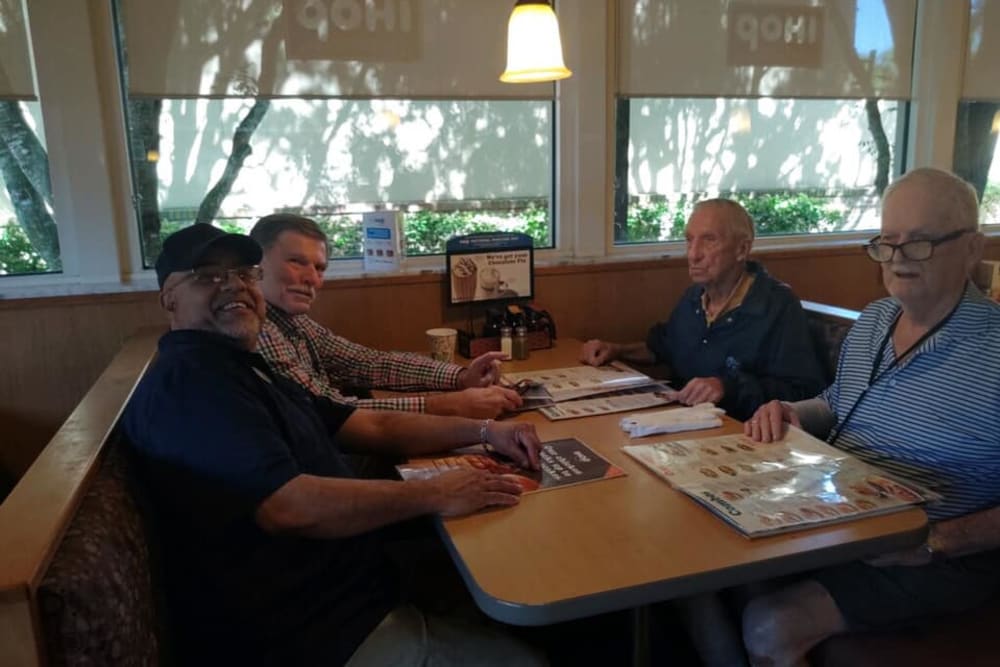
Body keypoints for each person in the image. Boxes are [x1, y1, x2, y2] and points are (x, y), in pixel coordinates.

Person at [124, 224, 546, 666]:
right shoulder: (193, 384)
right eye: (209, 275)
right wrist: (437, 493)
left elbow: (371, 425)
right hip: (314, 635)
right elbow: (289, 506)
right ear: (169, 296)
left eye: (245, 274)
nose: (235, 285)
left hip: (360, 583)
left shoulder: (245, 366)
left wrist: (484, 432)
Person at [741, 168, 1000, 665]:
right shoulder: (875, 320)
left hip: (936, 557)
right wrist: (792, 411)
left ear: (971, 249)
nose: (898, 259)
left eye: (920, 242)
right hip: (842, 523)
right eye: (887, 242)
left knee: (768, 624)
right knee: (712, 572)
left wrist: (934, 542)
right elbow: (839, 404)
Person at [250, 213, 521, 418]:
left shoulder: (290, 319)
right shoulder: (257, 329)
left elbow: (368, 362)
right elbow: (333, 412)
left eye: (320, 268)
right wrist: (450, 404)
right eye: (296, 262)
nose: (312, 278)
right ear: (254, 263)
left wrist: (461, 377)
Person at [579, 199, 825, 420]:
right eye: (689, 240)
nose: (693, 254)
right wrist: (615, 349)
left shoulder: (777, 305)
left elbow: (804, 391)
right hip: (681, 422)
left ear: (742, 249)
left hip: (742, 433)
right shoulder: (694, 297)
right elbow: (664, 347)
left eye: (709, 240)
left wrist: (727, 388)